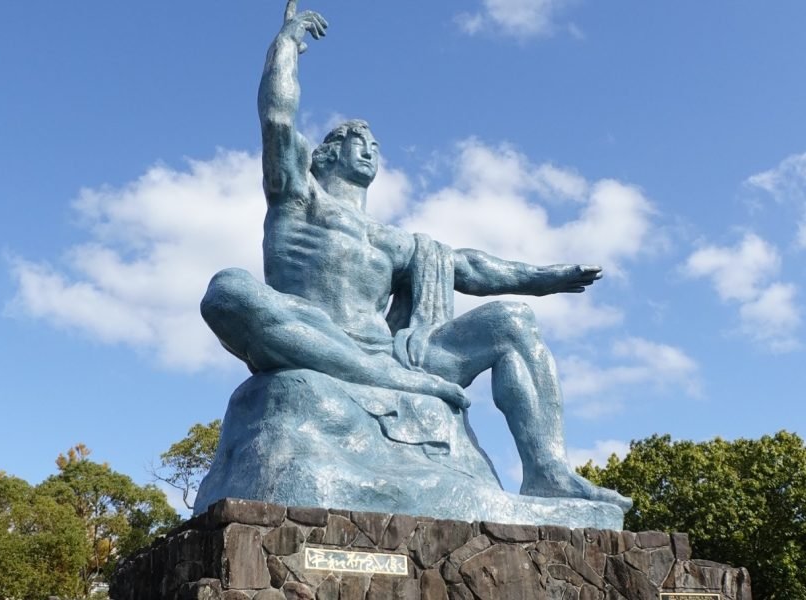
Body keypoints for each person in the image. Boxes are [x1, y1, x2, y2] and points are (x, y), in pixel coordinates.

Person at [201, 1, 630, 509]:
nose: (370, 148)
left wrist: (545, 277)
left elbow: (468, 266)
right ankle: (383, 379)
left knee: (513, 320)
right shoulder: (298, 197)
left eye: (376, 144)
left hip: (389, 351)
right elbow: (277, 116)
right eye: (356, 140)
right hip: (310, 334)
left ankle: (548, 472)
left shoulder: (396, 241)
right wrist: (287, 44)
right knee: (228, 289)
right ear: (324, 153)